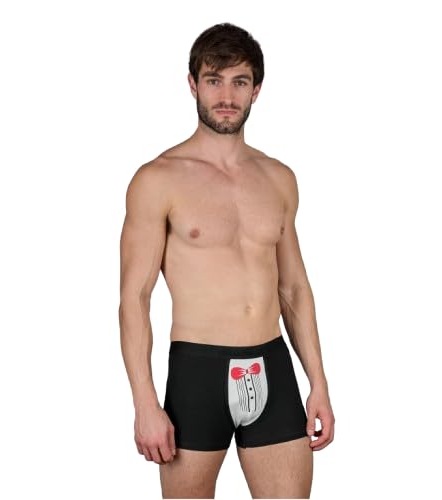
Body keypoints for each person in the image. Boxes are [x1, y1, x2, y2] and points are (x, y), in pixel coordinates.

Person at [118, 22, 335, 499]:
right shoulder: (157, 179)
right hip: (197, 373)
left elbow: (294, 288)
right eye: (213, 80)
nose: (226, 96)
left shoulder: (278, 178)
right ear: (192, 84)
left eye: (239, 82)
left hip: (273, 365)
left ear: (256, 90)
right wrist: (144, 403)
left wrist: (318, 381)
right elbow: (134, 298)